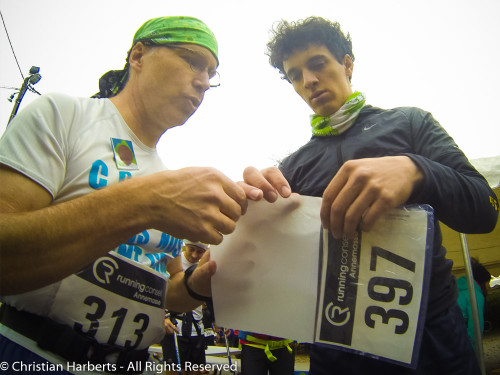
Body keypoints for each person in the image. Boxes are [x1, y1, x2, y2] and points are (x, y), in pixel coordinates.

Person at [0, 16, 283, 374]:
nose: (204, 82)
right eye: (192, 61)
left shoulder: (166, 177)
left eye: (211, 73)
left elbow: (167, 292)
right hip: (31, 354)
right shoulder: (64, 115)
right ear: (138, 55)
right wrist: (145, 202)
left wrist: (205, 277)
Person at [243, 16, 499, 375]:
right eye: (295, 75)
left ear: (347, 64)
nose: (309, 81)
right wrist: (248, 216)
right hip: (337, 346)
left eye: (317, 64)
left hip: (432, 335)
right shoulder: (293, 167)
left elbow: (485, 210)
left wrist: (417, 170)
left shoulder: (411, 123)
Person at [162, 241, 211, 375]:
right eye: (191, 249)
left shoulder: (203, 266)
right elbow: (159, 289)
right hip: (175, 327)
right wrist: (163, 317)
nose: (195, 255)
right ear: (185, 246)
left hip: (197, 330)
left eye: (200, 251)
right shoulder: (173, 262)